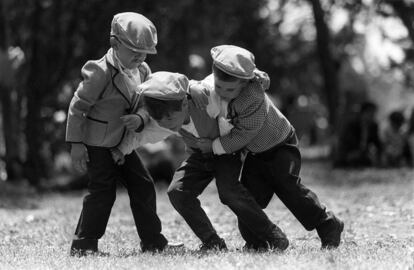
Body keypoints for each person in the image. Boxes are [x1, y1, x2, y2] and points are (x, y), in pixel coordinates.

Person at [192, 45, 344, 249]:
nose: (223, 94)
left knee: (288, 187)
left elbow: (242, 135)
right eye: (219, 88)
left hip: (281, 147)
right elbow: (209, 88)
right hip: (256, 155)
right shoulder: (222, 87)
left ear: (245, 83)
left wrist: (214, 146)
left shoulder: (253, 98)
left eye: (230, 90)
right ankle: (259, 241)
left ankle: (328, 224)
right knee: (247, 200)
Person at [65, 12, 179, 256]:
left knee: (144, 186)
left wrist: (140, 118)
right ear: (115, 44)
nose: (140, 57)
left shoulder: (143, 70)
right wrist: (76, 143)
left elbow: (149, 103)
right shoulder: (99, 71)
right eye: (134, 51)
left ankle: (153, 242)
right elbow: (78, 106)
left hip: (123, 144)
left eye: (145, 53)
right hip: (98, 143)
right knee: (102, 193)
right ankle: (84, 245)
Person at [140, 71, 289, 252]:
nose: (166, 124)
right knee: (177, 191)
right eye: (159, 120)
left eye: (170, 118)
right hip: (201, 155)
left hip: (226, 151)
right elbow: (143, 134)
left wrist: (253, 74)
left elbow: (218, 78)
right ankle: (212, 242)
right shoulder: (165, 118)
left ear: (185, 103)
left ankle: (272, 235)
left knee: (228, 191)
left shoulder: (204, 99)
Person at [334, 101, 382, 168]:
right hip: (348, 153)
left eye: (374, 113)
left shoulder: (373, 126)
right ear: (363, 113)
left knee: (367, 161)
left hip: (362, 154)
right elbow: (347, 141)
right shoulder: (351, 124)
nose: (372, 116)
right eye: (371, 113)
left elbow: (376, 142)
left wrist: (381, 154)